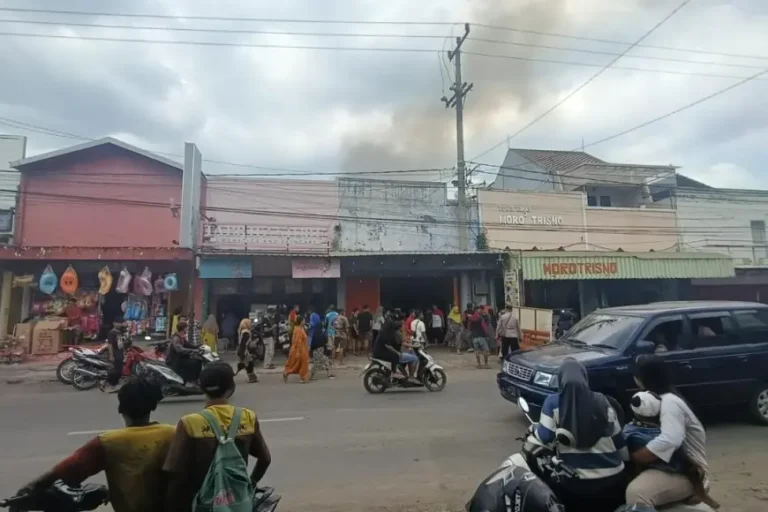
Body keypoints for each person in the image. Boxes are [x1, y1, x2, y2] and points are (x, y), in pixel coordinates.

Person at [19, 377, 174, 512]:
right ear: (153, 406)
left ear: (121, 408)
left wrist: (30, 487)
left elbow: (67, 469)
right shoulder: (174, 433)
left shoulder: (108, 442)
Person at [164, 363, 272, 512]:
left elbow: (174, 473)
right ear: (231, 389)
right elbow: (265, 459)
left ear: (201, 388)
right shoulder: (248, 417)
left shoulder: (189, 423)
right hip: (238, 502)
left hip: (203, 503)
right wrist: (250, 485)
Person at [535, 358, 628, 512]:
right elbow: (619, 442)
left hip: (575, 485)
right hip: (613, 481)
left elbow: (544, 437)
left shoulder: (552, 403)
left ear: (560, 380)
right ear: (585, 378)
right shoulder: (604, 401)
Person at [626, 355, 711, 508]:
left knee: (636, 494)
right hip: (671, 465)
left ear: (643, 378)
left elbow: (671, 439)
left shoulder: (669, 402)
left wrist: (638, 457)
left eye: (637, 376)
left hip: (688, 472)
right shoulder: (656, 399)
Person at [624, 392, 719, 510]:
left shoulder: (632, 431)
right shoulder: (664, 425)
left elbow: (628, 453)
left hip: (664, 468)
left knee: (634, 492)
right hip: (684, 467)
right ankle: (700, 492)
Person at [372, 313, 407, 379]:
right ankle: (394, 372)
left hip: (379, 350)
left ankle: (392, 371)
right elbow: (389, 346)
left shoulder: (385, 331)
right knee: (395, 355)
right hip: (379, 352)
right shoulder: (386, 335)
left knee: (395, 354)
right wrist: (398, 353)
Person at [283, 316, 310, 383]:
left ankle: (287, 373)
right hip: (301, 350)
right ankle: (302, 378)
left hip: (301, 349)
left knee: (298, 364)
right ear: (301, 322)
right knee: (303, 364)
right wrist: (298, 352)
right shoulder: (299, 330)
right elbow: (298, 341)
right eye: (304, 320)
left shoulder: (299, 328)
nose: (305, 321)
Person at [309, 308, 334, 379]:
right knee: (322, 363)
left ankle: (329, 374)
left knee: (322, 363)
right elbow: (324, 342)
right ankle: (311, 376)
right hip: (320, 352)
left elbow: (312, 344)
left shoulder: (315, 333)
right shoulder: (321, 333)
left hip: (316, 352)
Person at [235, 317, 258, 383]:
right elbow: (244, 343)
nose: (251, 324)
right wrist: (243, 353)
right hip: (243, 350)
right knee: (249, 364)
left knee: (249, 363)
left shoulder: (241, 330)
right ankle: (251, 377)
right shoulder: (246, 332)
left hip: (242, 350)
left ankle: (252, 377)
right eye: (250, 323)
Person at [104, 318, 124, 393]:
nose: (120, 324)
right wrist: (111, 355)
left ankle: (112, 385)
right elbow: (110, 345)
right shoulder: (111, 333)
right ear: (114, 323)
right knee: (115, 371)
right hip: (115, 353)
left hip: (120, 353)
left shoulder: (119, 332)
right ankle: (111, 386)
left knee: (119, 369)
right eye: (118, 323)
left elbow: (121, 344)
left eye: (121, 323)